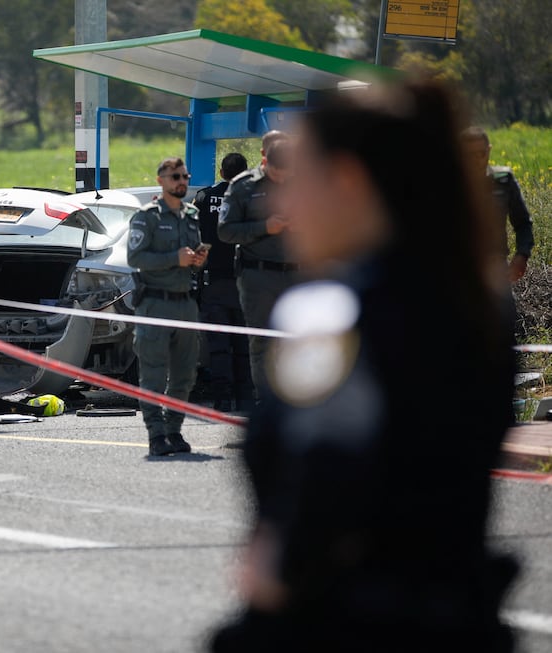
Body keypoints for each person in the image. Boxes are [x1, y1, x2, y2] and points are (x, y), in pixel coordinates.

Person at [207, 78, 518, 652]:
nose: (286, 203)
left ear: (348, 181)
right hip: (457, 616)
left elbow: (326, 471)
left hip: (342, 622)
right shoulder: (479, 302)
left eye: (302, 182)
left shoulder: (330, 311)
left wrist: (279, 574)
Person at [127, 157, 208, 456]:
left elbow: (192, 260)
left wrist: (197, 261)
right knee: (154, 376)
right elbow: (136, 258)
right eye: (175, 176)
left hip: (185, 304)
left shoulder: (192, 215)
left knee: (185, 375)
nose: (182, 181)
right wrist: (175, 258)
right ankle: (156, 435)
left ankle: (174, 430)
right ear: (161, 180)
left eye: (185, 176)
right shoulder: (146, 216)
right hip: (154, 304)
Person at [218, 133, 298, 400]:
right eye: (277, 173)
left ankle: (294, 399)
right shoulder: (243, 186)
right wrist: (265, 227)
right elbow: (226, 231)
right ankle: (268, 402)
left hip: (296, 273)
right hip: (257, 274)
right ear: (264, 160)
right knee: (262, 340)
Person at [192, 152, 254, 412]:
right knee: (243, 344)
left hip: (213, 282)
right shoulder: (250, 197)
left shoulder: (204, 197)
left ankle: (222, 399)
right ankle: (245, 398)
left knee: (218, 346)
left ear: (221, 171)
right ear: (245, 172)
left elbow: (192, 231)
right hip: (244, 281)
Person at [461, 126, 535, 282]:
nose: (476, 160)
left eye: (481, 154)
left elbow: (523, 224)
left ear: (489, 150)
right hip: (458, 270)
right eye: (469, 155)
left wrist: (522, 255)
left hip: (495, 268)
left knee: (505, 306)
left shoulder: (503, 181)